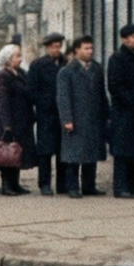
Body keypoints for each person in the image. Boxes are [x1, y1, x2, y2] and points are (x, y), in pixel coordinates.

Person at [56, 34, 108, 198]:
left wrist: (106, 113)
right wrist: (67, 119)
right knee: (74, 154)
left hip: (93, 117)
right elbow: (63, 97)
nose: (89, 51)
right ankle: (72, 186)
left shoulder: (97, 68)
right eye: (86, 48)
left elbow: (101, 94)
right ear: (77, 50)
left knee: (91, 153)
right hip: (76, 118)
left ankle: (89, 185)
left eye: (91, 48)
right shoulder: (67, 71)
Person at [106, 25, 134, 197]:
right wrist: (132, 102)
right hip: (124, 112)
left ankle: (133, 184)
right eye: (133, 37)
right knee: (123, 152)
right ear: (124, 39)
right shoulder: (117, 58)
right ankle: (120, 186)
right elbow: (115, 87)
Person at [27, 33, 66, 195]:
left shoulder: (66, 63)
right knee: (45, 151)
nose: (56, 50)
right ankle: (44, 183)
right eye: (53, 47)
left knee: (62, 151)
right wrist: (43, 102)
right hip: (46, 113)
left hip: (63, 113)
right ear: (47, 47)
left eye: (59, 46)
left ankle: (62, 184)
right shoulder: (38, 65)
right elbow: (31, 90)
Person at [0, 43, 33, 195]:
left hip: (21, 120)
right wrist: (7, 125)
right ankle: (6, 185)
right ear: (8, 59)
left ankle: (15, 183)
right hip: (9, 122)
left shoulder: (20, 73)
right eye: (17, 56)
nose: (20, 59)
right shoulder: (3, 75)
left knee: (17, 152)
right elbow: (2, 101)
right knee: (7, 153)